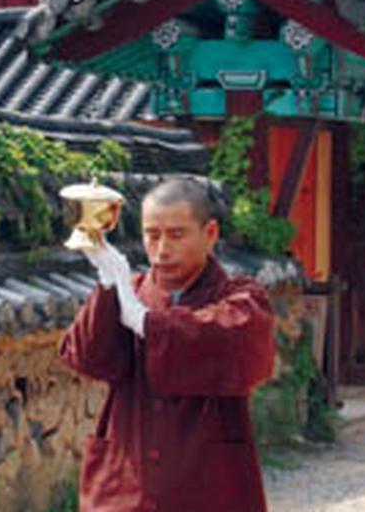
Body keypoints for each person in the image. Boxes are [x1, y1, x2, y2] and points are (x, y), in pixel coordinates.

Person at [61, 178, 276, 511]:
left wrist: (145, 322)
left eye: (176, 235)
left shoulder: (241, 298)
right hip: (127, 482)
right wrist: (108, 284)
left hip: (206, 483)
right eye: (152, 235)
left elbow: (231, 340)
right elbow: (88, 357)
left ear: (210, 234)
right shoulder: (128, 291)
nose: (162, 249)